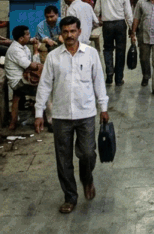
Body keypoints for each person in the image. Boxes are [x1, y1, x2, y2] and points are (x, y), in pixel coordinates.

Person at [34, 17, 109, 214]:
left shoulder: (90, 54)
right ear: (61, 33)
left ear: (79, 31)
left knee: (87, 153)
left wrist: (104, 107)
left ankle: (87, 178)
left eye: (73, 31)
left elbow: (98, 81)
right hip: (61, 115)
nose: (69, 35)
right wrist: (38, 112)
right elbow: (44, 86)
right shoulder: (53, 57)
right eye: (65, 32)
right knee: (63, 158)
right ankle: (70, 197)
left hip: (86, 113)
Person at [94, 0, 133, 86]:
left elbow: (96, 11)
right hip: (120, 25)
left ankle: (109, 75)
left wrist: (99, 20)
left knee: (108, 49)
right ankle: (119, 78)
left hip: (107, 25)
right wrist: (132, 29)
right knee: (120, 51)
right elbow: (128, 14)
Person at [5, 25, 42, 130]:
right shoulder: (16, 50)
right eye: (28, 35)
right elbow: (31, 66)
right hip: (18, 81)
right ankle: (41, 120)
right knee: (43, 90)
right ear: (21, 38)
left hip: (21, 77)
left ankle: (13, 122)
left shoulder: (23, 47)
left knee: (17, 97)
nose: (30, 37)